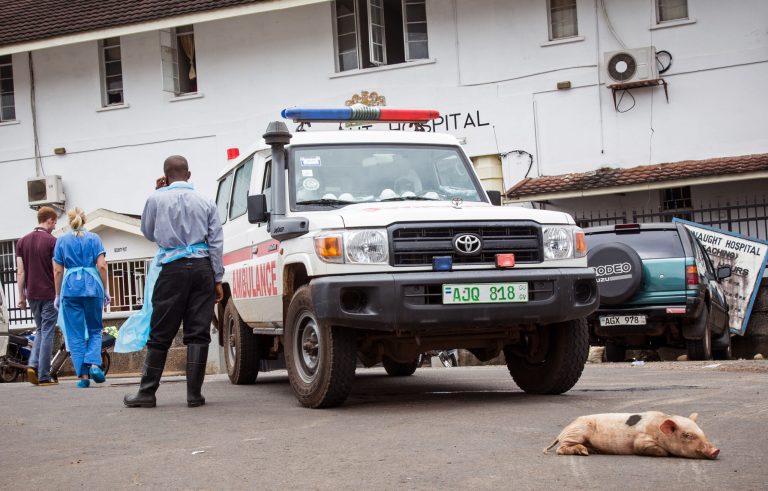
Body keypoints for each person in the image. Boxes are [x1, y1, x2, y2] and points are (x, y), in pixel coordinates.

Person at [124, 155, 223, 408]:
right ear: (188, 175)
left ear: (165, 176)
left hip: (172, 270)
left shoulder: (155, 199)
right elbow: (216, 242)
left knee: (161, 332)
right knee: (198, 332)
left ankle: (147, 393)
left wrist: (159, 192)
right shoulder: (206, 201)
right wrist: (217, 278)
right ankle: (194, 395)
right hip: (202, 269)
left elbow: (147, 232)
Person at [53, 208, 110, 388]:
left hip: (70, 290)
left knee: (75, 334)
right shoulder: (94, 239)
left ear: (69, 221)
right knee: (94, 329)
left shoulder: (61, 240)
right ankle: (94, 364)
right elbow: (101, 266)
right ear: (84, 220)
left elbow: (57, 270)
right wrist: (106, 290)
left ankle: (83, 377)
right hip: (93, 288)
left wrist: (57, 295)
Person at [16, 206, 58, 386]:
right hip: (48, 293)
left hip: (31, 294)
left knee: (40, 329)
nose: (55, 226)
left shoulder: (22, 242)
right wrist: (58, 293)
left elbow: (20, 272)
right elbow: (57, 269)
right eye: (55, 222)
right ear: (48, 220)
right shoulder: (52, 241)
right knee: (47, 331)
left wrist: (21, 296)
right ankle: (43, 375)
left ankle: (33, 364)